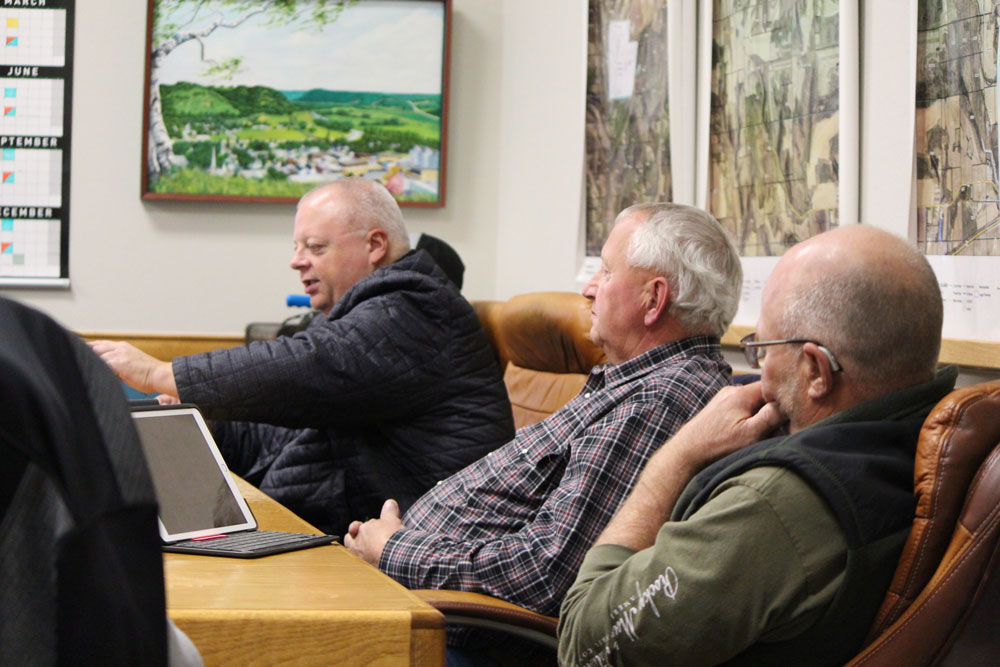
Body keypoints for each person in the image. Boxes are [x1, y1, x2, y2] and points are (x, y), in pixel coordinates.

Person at [344, 203, 743, 660]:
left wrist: (395, 548)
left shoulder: (660, 399)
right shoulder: (634, 380)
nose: (588, 289)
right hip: (425, 606)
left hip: (461, 636)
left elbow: (546, 572)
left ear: (653, 300)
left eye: (605, 272)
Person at [557, 225, 958, 667]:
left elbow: (582, 641)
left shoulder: (772, 507)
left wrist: (678, 455)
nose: (759, 374)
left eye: (763, 350)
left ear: (816, 371)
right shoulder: (938, 439)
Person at [90, 178, 514, 536]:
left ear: (375, 245)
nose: (296, 261)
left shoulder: (413, 311)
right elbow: (277, 433)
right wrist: (203, 418)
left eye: (314, 247)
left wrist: (158, 372)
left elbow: (306, 366)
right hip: (341, 535)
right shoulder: (355, 316)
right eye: (297, 247)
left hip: (412, 564)